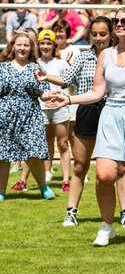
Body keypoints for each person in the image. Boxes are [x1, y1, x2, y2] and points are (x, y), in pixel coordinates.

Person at [48, 7, 125, 248]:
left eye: (124, 20)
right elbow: (97, 92)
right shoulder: (106, 55)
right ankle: (107, 227)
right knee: (104, 175)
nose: (119, 24)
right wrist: (68, 99)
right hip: (111, 114)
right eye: (116, 20)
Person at [36, 17, 125, 228]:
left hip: (113, 111)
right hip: (87, 111)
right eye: (95, 34)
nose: (98, 38)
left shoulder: (120, 56)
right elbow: (67, 80)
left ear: (111, 34)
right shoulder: (83, 56)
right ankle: (71, 211)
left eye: (103, 34)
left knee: (119, 167)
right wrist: (47, 77)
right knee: (80, 166)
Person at [0, 31, 57, 202]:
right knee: (2, 155)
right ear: (13, 47)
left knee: (33, 154)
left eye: (26, 45)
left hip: (30, 116)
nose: (22, 48)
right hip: (5, 116)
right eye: (19, 45)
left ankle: (43, 188)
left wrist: (51, 95)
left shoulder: (36, 69)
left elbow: (43, 94)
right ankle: (1, 192)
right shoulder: (2, 68)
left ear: (31, 48)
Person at [36, 30, 71, 192]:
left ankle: (65, 180)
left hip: (60, 108)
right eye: (42, 43)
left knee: (63, 144)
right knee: (45, 142)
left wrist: (60, 95)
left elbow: (69, 84)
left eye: (48, 43)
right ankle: (46, 172)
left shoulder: (61, 63)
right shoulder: (34, 63)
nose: (45, 46)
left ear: (54, 45)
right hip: (41, 108)